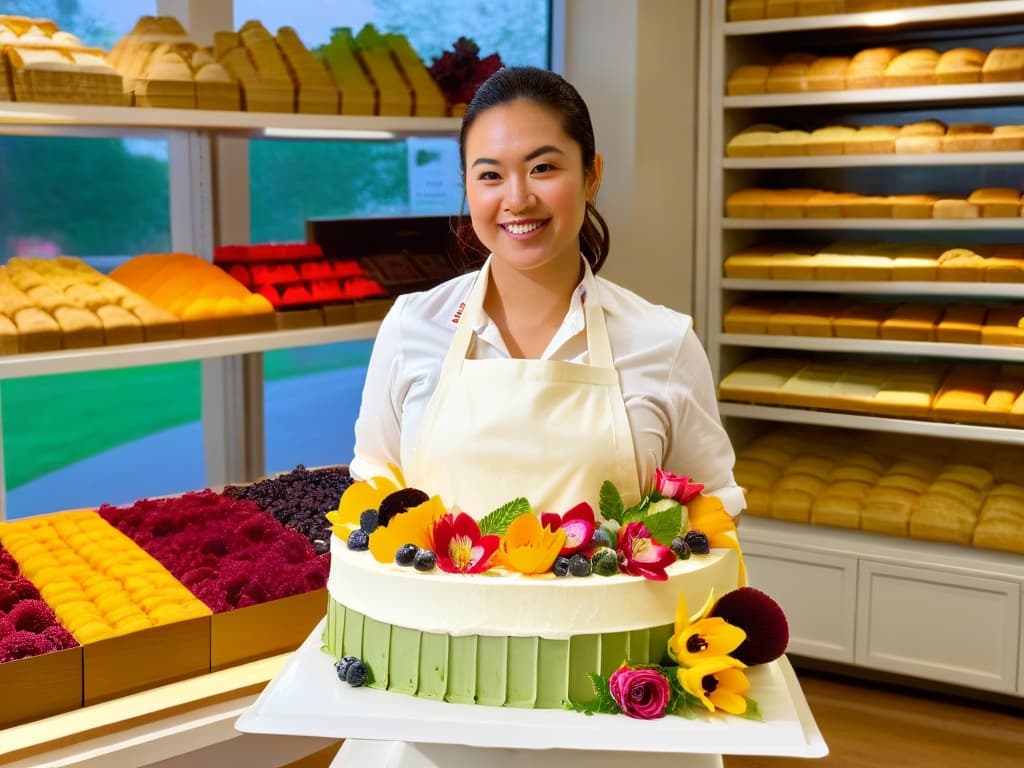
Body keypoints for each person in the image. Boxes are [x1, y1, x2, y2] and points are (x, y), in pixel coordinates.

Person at [350, 65, 743, 520]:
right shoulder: (411, 326)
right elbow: (374, 500)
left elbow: (712, 516)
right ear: (467, 186)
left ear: (592, 174)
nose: (517, 199)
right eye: (490, 175)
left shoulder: (664, 343)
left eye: (543, 168)